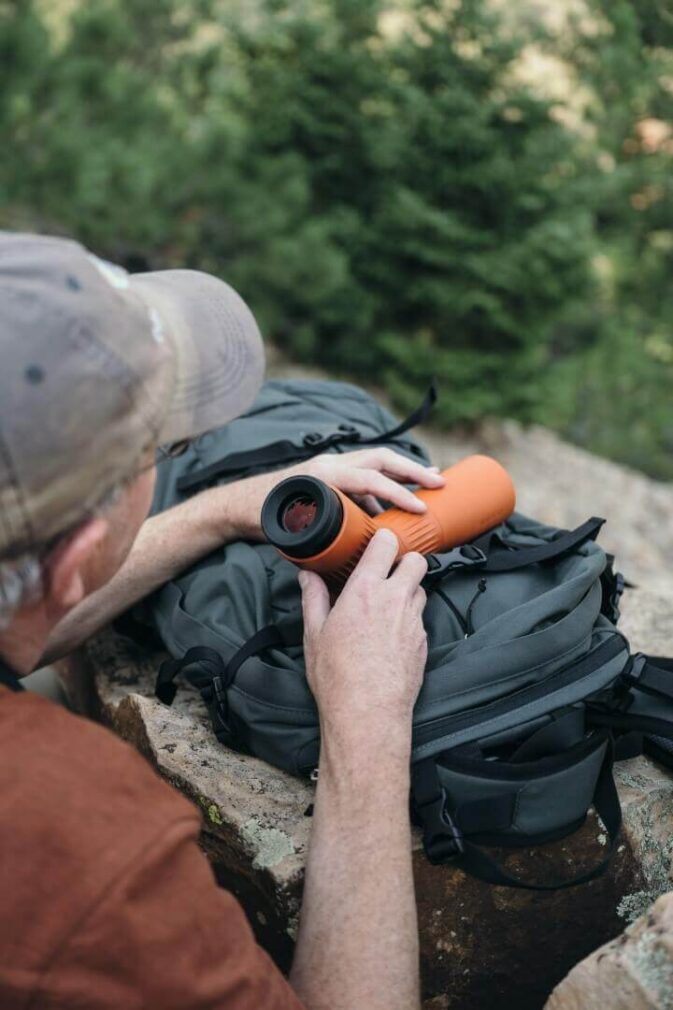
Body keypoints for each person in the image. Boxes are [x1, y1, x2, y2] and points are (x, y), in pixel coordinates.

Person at [0, 232, 444, 1010]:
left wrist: (222, 510)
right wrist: (366, 726)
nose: (167, 458)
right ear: (72, 559)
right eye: (159, 449)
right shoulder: (78, 852)